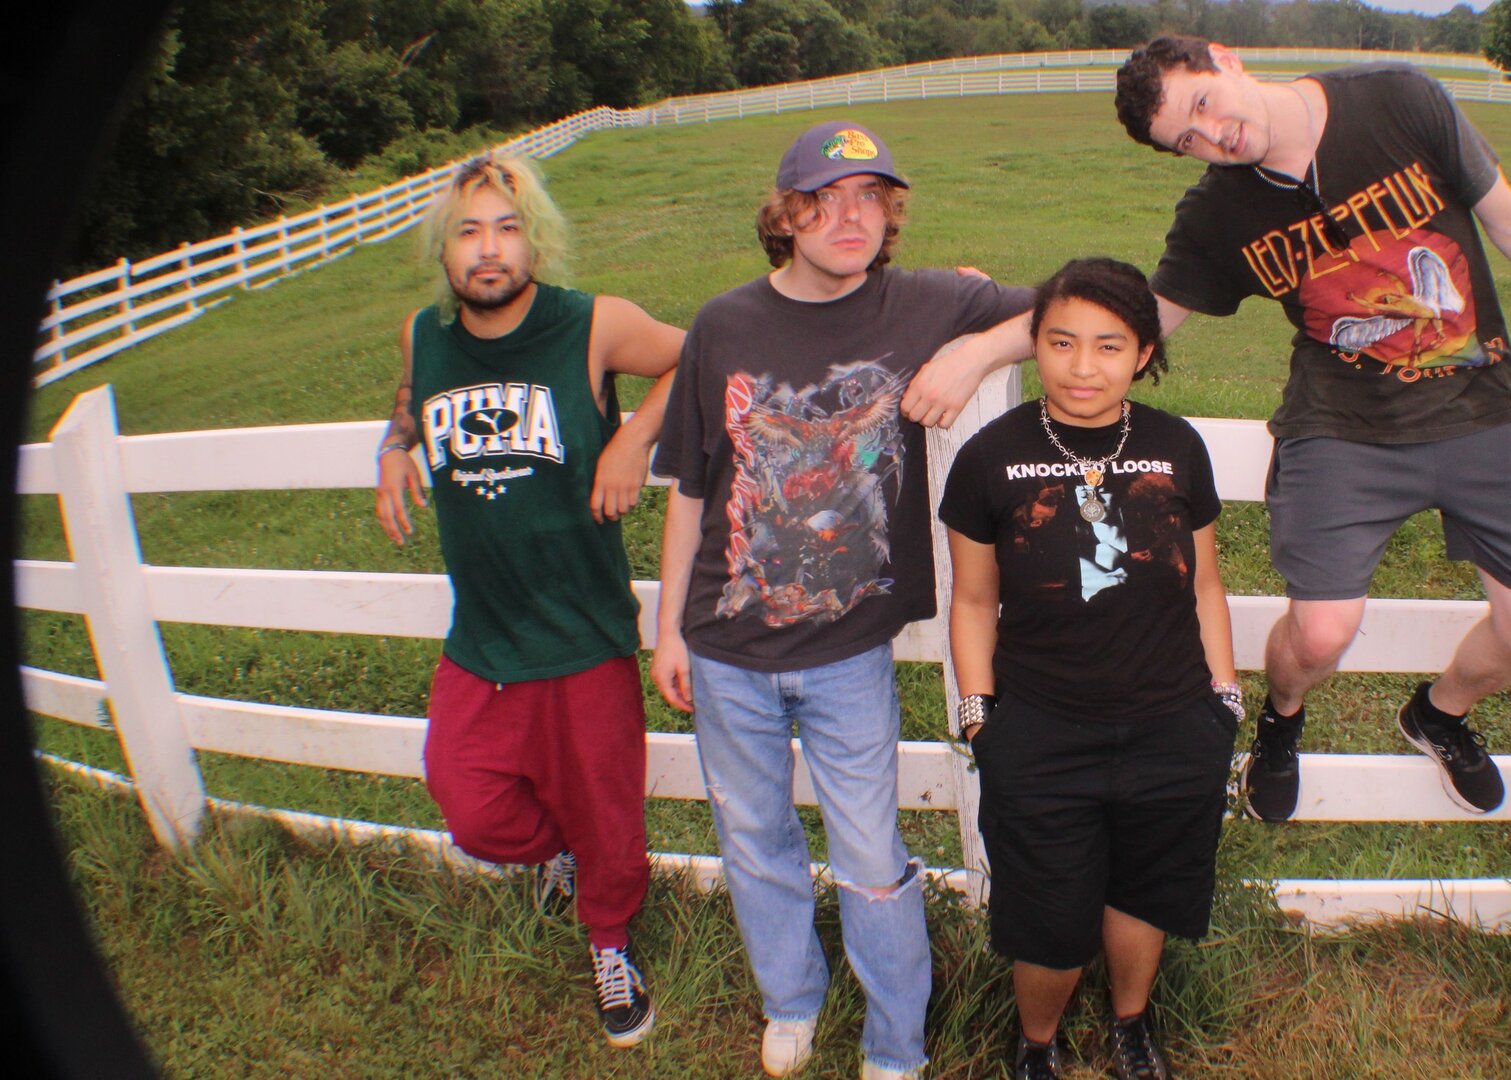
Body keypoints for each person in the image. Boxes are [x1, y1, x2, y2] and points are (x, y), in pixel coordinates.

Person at [1112, 36, 1511, 822]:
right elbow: (1138, 324)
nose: (1212, 136)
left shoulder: (1398, 101)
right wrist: (993, 338)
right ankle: (1281, 721)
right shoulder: (1218, 212)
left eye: (1202, 103)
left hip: (1476, 405)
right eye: (1186, 140)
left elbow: (1508, 217)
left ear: (1225, 59)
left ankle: (1438, 714)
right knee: (1319, 633)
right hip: (1341, 424)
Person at [647, 119, 1034, 1080]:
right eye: (824, 201)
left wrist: (976, 352)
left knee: (869, 848)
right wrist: (667, 629)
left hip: (849, 653)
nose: (850, 218)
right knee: (754, 835)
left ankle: (896, 1041)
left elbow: (1079, 307)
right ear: (785, 216)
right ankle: (791, 1000)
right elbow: (692, 488)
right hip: (725, 646)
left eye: (870, 198)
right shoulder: (722, 325)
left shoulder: (925, 302)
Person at [372, 153, 684, 1048]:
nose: (489, 249)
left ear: (533, 240)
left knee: (608, 815)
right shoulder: (424, 335)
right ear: (443, 249)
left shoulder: (592, 325)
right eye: (468, 231)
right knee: (467, 801)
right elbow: (411, 396)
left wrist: (631, 440)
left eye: (507, 228)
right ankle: (560, 857)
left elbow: (704, 356)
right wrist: (394, 445)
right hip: (484, 637)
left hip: (582, 630)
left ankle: (610, 940)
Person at [942, 258, 1238, 1080]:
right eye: (1061, 341)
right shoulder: (990, 457)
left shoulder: (1177, 446)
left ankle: (1130, 1026)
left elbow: (1207, 583)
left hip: (1173, 723)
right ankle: (1036, 1044)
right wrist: (981, 717)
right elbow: (973, 601)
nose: (1083, 367)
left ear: (1143, 353)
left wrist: (1223, 700)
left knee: (1146, 892)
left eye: (1109, 346)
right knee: (1048, 916)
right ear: (1035, 344)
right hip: (1042, 731)